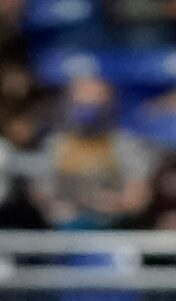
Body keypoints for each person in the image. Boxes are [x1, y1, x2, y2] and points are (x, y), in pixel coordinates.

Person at [36, 75, 152, 230]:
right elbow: (42, 193)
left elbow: (136, 199)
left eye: (94, 105)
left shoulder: (126, 145)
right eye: (81, 104)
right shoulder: (55, 144)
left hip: (113, 229)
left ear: (109, 105)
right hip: (62, 230)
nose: (88, 111)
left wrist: (106, 203)